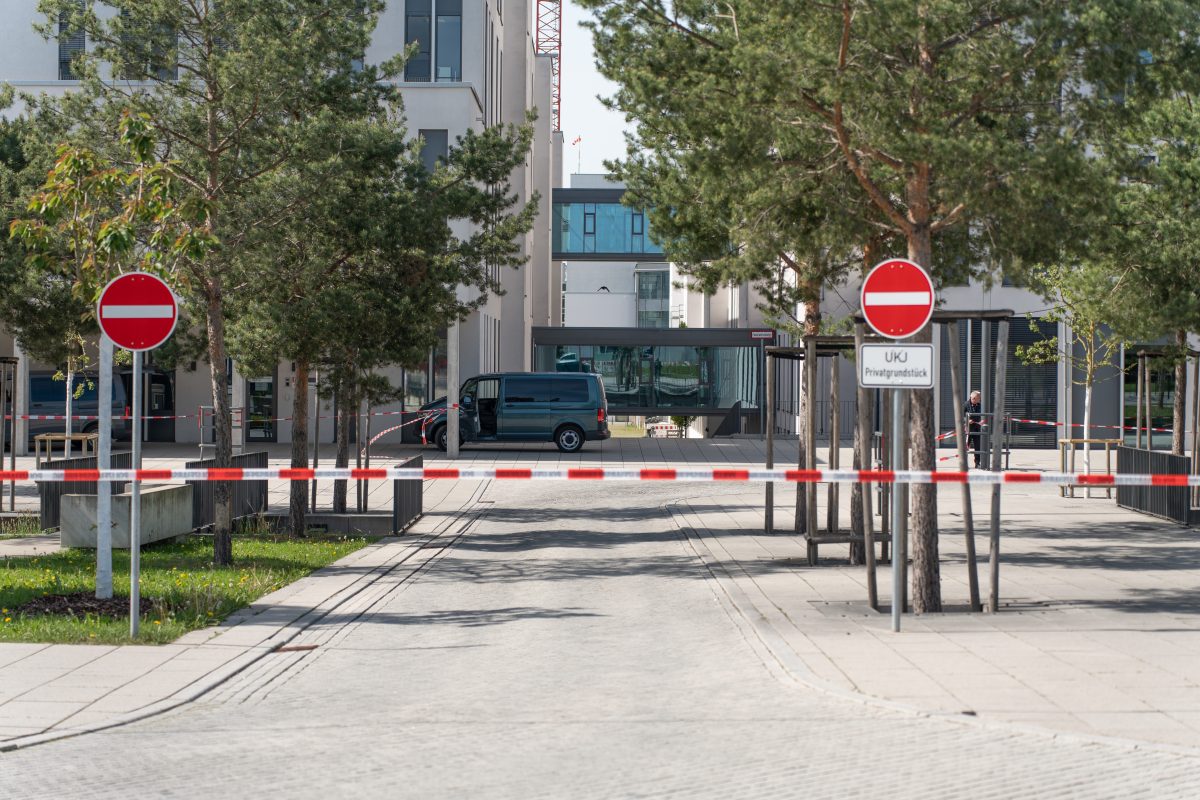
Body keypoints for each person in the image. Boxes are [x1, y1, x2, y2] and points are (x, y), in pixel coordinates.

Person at [963, 390, 983, 468]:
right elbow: (961, 415)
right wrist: (967, 420)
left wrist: (980, 421)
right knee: (966, 446)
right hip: (968, 429)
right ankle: (964, 463)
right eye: (978, 398)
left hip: (977, 429)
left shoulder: (979, 405)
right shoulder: (965, 405)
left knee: (977, 447)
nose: (979, 400)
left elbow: (979, 415)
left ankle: (977, 463)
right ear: (973, 398)